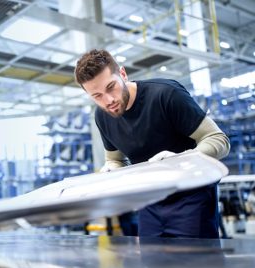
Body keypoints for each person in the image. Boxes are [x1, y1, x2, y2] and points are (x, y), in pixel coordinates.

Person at [74, 49, 230, 238]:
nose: (108, 100)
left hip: (191, 198)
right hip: (149, 201)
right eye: (97, 96)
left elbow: (219, 139)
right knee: (152, 263)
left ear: (123, 74)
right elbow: (115, 160)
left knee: (195, 264)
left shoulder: (166, 94)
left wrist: (183, 159)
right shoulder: (102, 116)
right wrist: (111, 169)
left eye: (111, 87)